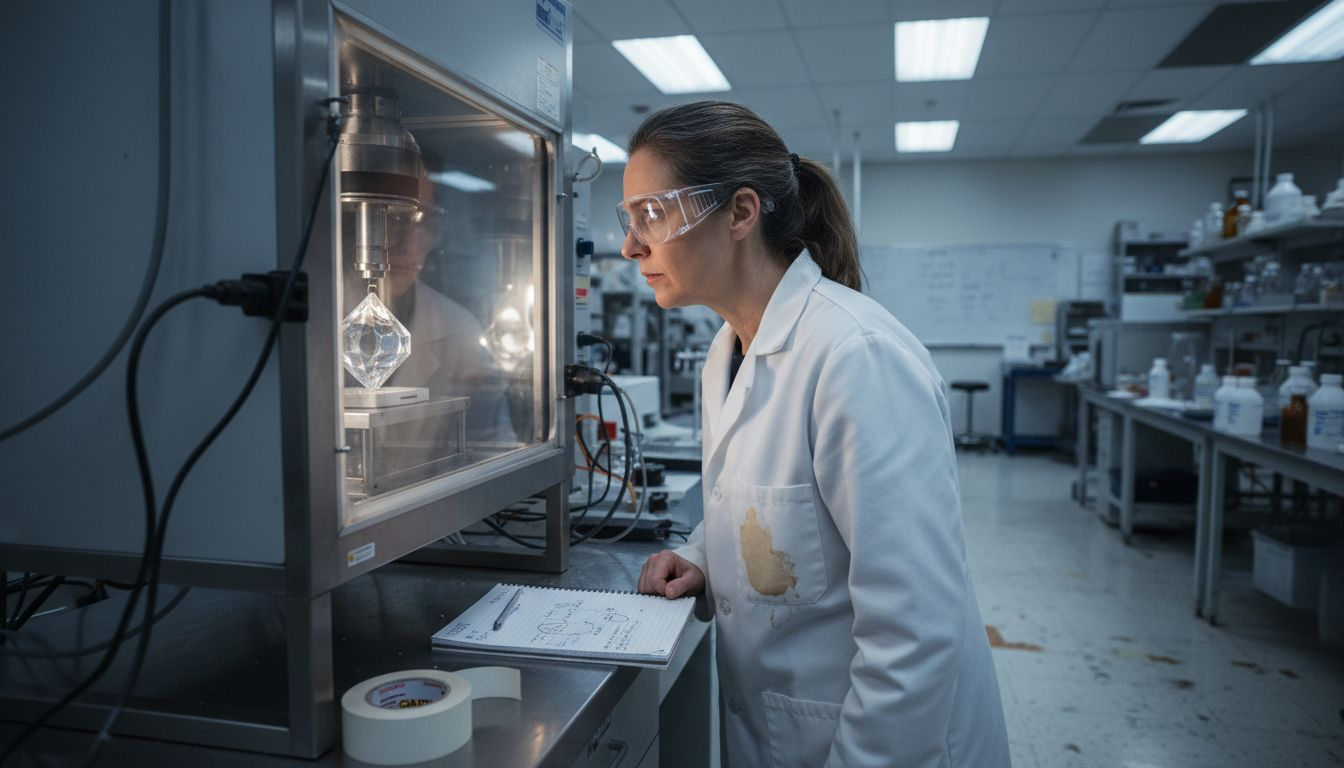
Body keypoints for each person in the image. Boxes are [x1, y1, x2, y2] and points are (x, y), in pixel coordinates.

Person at [627, 102, 1010, 768]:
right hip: (786, 731)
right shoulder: (731, 351)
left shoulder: (856, 358)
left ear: (741, 213)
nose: (633, 246)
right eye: (630, 220)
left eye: (653, 214)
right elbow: (772, 511)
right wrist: (704, 555)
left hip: (882, 744)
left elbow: (916, 636)